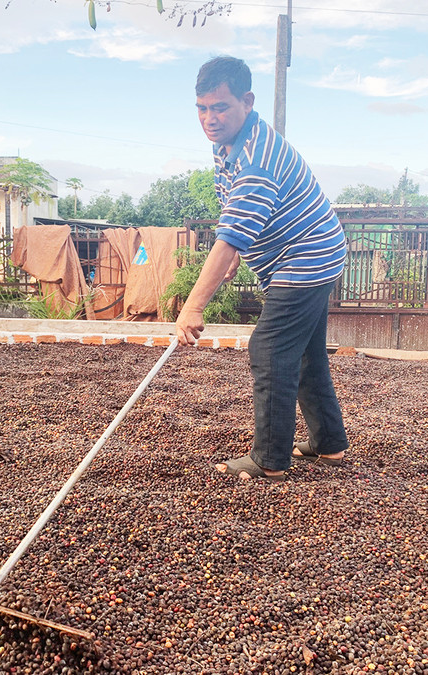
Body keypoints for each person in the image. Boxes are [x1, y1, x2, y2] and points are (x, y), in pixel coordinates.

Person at [175, 55, 349, 481]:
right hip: (309, 253)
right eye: (202, 108)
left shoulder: (257, 161)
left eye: (220, 107)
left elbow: (229, 236)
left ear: (247, 101)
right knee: (305, 353)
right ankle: (329, 444)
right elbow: (236, 222)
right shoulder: (228, 146)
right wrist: (234, 255)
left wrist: (193, 306)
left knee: (268, 349)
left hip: (308, 256)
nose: (209, 119)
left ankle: (270, 459)